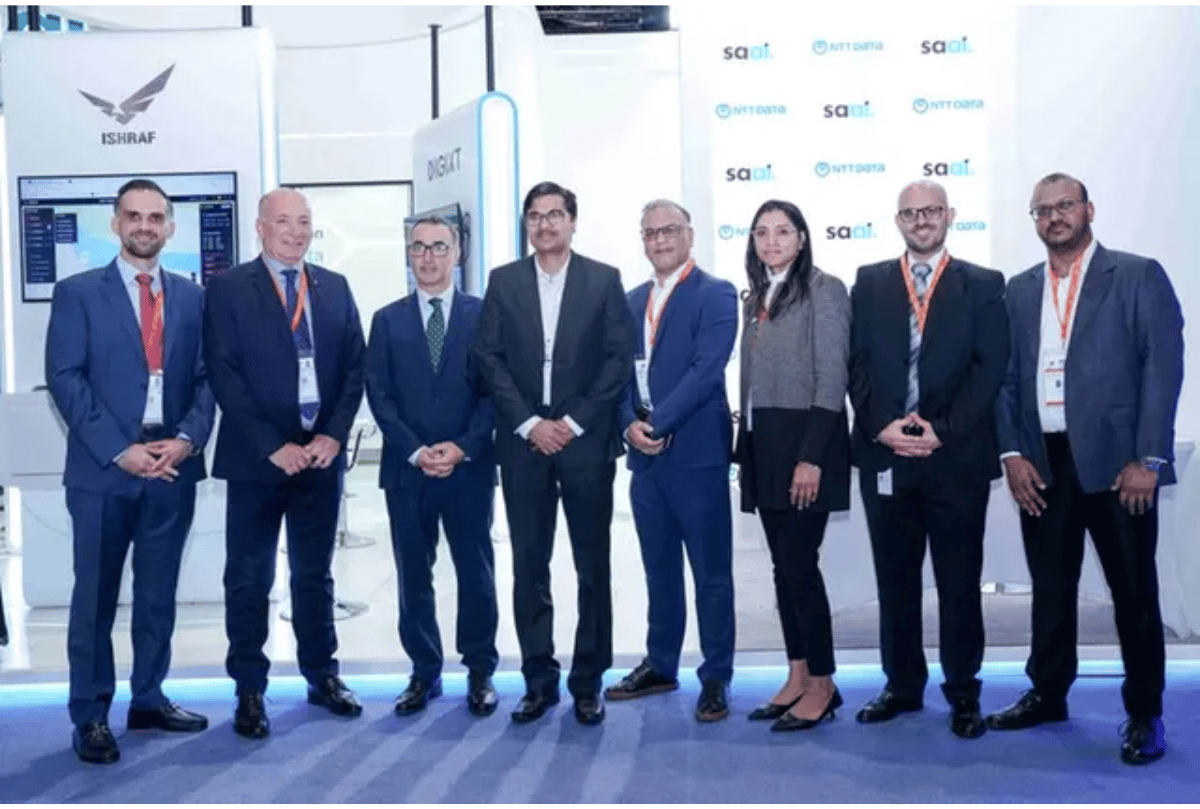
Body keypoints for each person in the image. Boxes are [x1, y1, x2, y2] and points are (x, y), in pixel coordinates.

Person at [987, 173, 1183, 765]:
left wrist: (1149, 458)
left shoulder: (1137, 274)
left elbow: (1162, 368)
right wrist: (1012, 453)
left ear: (1088, 209)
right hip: (1043, 461)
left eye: (1065, 205)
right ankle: (1048, 693)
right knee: (1050, 589)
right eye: (1042, 210)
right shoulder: (1019, 289)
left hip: (1119, 465)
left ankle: (1144, 713)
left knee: (1133, 592)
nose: (1055, 217)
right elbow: (1005, 378)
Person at [45, 179, 216, 764]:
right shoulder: (77, 293)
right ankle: (91, 714)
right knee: (94, 598)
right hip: (104, 471)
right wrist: (120, 450)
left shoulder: (192, 297)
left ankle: (149, 698)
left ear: (170, 227)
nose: (145, 226)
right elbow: (65, 378)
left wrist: (187, 440)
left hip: (171, 466)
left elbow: (207, 379)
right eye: (134, 216)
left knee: (158, 593)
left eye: (156, 217)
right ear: (115, 224)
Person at [848, 180, 1009, 739]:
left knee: (960, 583)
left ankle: (963, 692)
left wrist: (942, 430)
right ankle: (901, 685)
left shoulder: (983, 284)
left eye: (931, 211)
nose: (921, 221)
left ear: (950, 216)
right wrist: (880, 426)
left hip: (955, 459)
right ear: (898, 221)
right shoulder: (870, 282)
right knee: (895, 581)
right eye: (911, 213)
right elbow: (856, 363)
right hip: (887, 454)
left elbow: (991, 366)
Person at [203, 188, 366, 739]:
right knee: (249, 577)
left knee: (314, 575)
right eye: (283, 222)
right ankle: (250, 689)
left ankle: (323, 676)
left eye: (303, 222)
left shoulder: (334, 286)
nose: (295, 232)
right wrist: (273, 445)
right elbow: (223, 372)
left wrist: (333, 435)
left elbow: (354, 369)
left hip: (320, 458)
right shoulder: (227, 288)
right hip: (257, 460)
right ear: (260, 227)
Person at [474, 181, 634, 726]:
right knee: (529, 565)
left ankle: (588, 681)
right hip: (523, 445)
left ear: (572, 222)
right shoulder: (503, 281)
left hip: (584, 443)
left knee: (593, 566)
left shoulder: (603, 279)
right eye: (535, 216)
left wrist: (569, 423)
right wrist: (529, 424)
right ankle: (538, 681)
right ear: (526, 225)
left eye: (555, 214)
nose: (545, 224)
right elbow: (489, 359)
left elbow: (618, 360)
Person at [604, 199, 738, 722]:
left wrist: (656, 424)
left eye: (669, 230)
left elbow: (707, 371)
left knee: (711, 574)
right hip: (645, 461)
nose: (659, 240)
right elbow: (616, 374)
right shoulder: (630, 301)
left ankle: (716, 675)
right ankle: (661, 664)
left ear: (690, 235)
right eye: (650, 232)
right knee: (658, 570)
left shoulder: (716, 293)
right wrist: (627, 425)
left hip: (697, 458)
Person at [365, 217, 499, 718]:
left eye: (439, 247)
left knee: (475, 571)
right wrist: (415, 450)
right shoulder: (386, 320)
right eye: (418, 247)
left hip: (469, 468)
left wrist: (463, 447)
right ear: (408, 254)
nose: (428, 257)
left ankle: (480, 669)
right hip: (408, 471)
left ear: (457, 253)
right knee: (413, 574)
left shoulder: (484, 315)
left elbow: (495, 392)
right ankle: (424, 672)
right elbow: (378, 394)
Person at [733, 200, 851, 732]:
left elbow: (832, 378)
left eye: (783, 231)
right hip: (764, 444)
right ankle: (798, 673)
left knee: (801, 567)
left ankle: (824, 684)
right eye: (762, 232)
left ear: (802, 238)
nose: (772, 241)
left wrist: (812, 456)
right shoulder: (757, 294)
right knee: (783, 568)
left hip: (806, 444)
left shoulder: (825, 290)